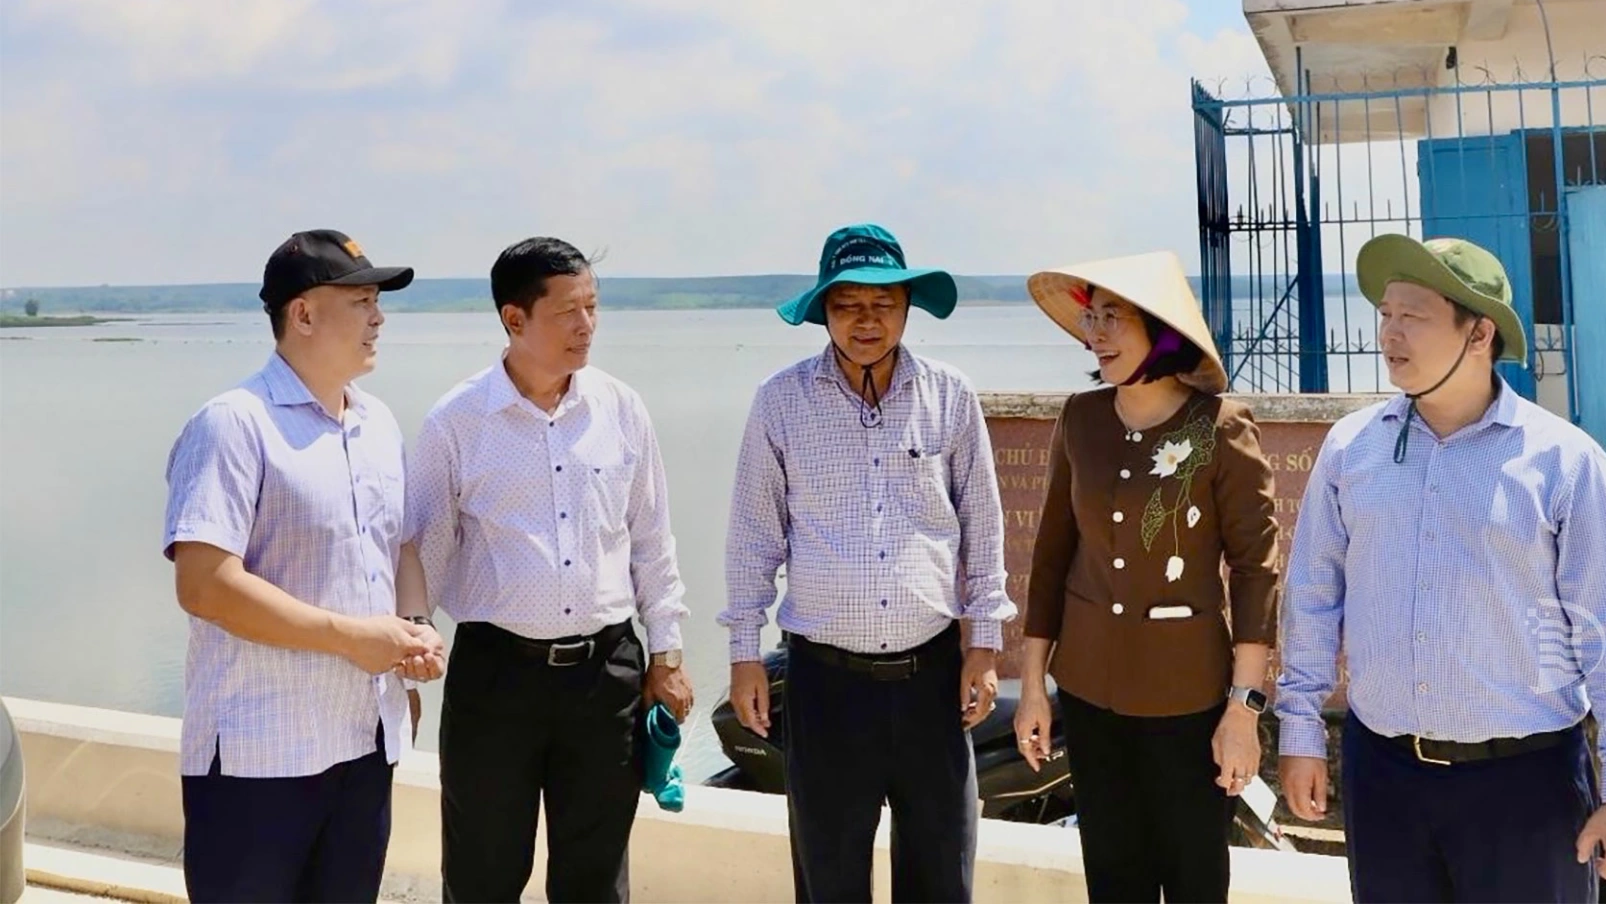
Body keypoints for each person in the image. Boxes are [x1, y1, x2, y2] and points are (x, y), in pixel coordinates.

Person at [1276, 233, 1606, 903]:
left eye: (1414, 316)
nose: (1389, 334)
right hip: (1384, 775)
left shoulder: (1563, 462)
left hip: (1527, 785)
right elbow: (1312, 597)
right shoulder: (1352, 449)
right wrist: (1301, 730)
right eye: (1385, 314)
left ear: (1479, 332)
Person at [721, 223, 1016, 903]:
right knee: (830, 878)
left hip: (933, 678)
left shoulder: (950, 395)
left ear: (907, 308)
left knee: (942, 874)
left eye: (883, 304)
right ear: (823, 311)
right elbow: (752, 537)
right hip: (826, 683)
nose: (866, 321)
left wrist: (984, 645)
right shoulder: (780, 401)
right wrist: (743, 654)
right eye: (848, 304)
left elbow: (984, 526)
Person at [404, 237, 692, 904]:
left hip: (607, 676)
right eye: (567, 312)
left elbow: (651, 539)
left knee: (595, 880)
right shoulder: (456, 423)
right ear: (514, 319)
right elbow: (420, 553)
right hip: (495, 678)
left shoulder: (620, 408)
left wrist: (668, 653)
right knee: (483, 874)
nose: (586, 325)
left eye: (593, 306)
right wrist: (406, 650)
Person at [162, 230, 444, 904]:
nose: (379, 318)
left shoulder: (376, 425)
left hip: (363, 742)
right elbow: (205, 586)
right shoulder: (234, 424)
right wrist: (352, 638)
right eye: (362, 301)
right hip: (259, 757)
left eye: (379, 302)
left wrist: (411, 631)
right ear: (304, 314)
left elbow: (399, 545)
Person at [1014, 252, 1280, 903]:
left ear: (1160, 333)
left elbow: (1255, 572)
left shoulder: (1220, 427)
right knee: (1113, 879)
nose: (1094, 334)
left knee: (1194, 879)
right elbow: (1050, 558)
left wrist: (1242, 711)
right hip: (1088, 694)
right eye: (1090, 318)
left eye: (1113, 319)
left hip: (1188, 702)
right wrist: (1031, 687)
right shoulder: (1081, 418)